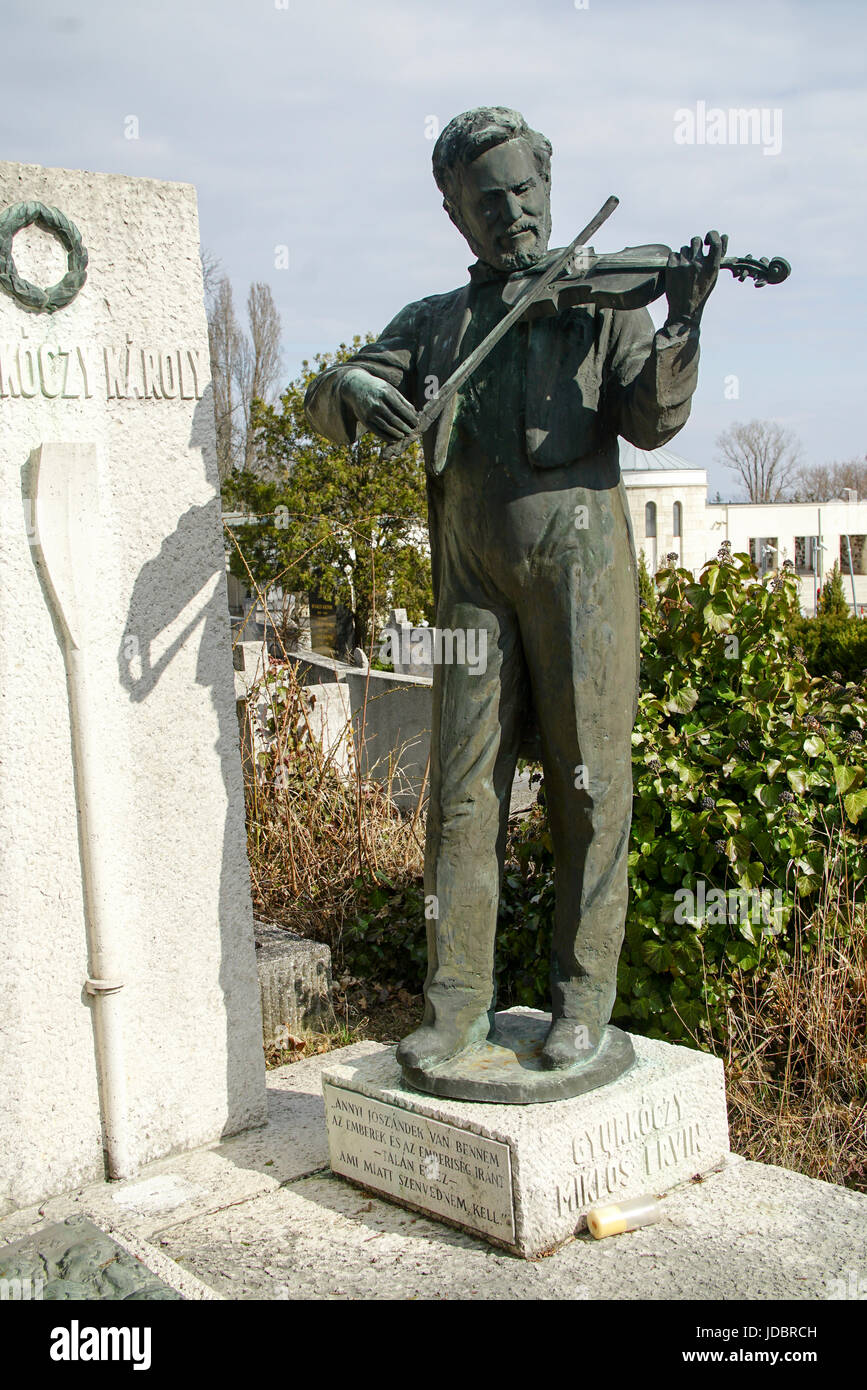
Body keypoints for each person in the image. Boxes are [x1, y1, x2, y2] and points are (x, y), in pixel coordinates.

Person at [305, 106, 725, 1081]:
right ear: (456, 215)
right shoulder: (435, 323)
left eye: (526, 191)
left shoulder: (603, 305)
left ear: (549, 186)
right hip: (469, 583)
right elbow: (338, 397)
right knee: (459, 797)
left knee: (589, 788)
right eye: (487, 200)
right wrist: (348, 391)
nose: (513, 213)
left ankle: (581, 1001)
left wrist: (687, 319)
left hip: (583, 572)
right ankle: (455, 1008)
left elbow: (654, 419)